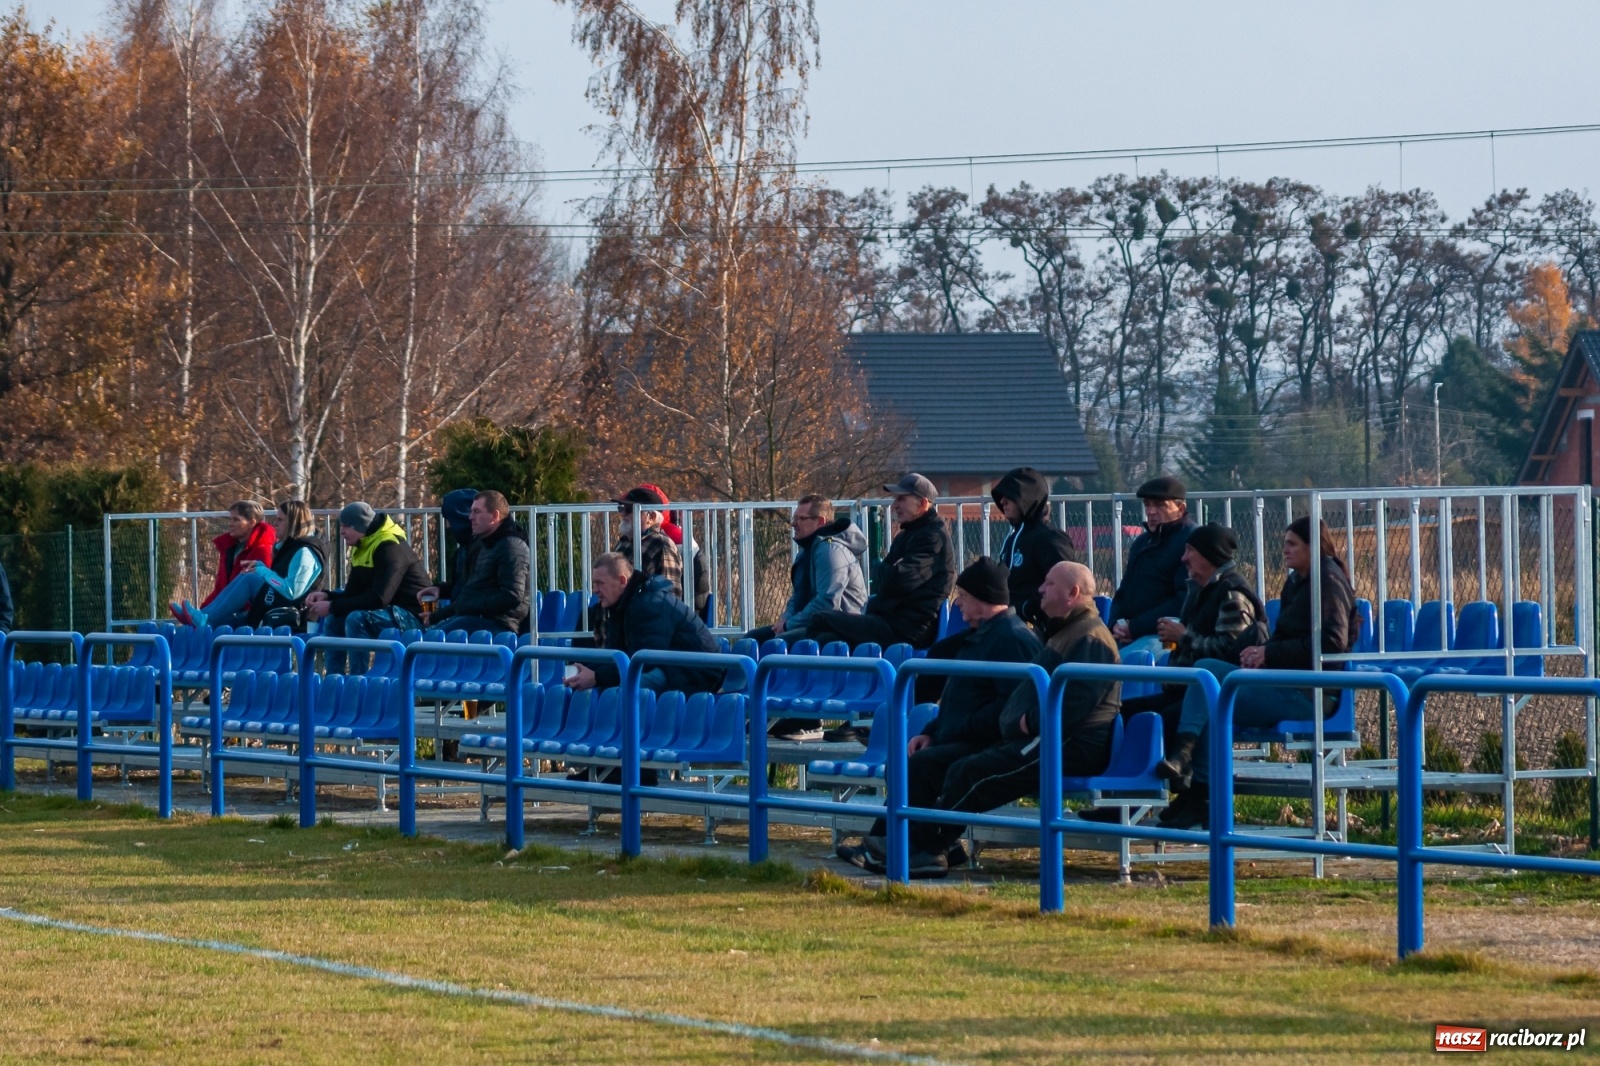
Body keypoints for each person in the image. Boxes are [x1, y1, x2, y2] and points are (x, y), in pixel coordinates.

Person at [845, 561, 1120, 878]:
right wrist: (937, 730)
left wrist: (1025, 724)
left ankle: (921, 848)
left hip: (1066, 742)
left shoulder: (1088, 638)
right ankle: (908, 846)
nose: (1040, 589)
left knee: (970, 772)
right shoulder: (1065, 632)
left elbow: (1072, 706)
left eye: (1049, 584)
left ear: (1072, 593)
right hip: (1040, 736)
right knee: (932, 765)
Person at [1155, 516, 1360, 830]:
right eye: (1284, 543)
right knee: (1206, 672)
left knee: (1213, 698)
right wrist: (1260, 655)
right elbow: (1286, 635)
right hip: (1283, 680)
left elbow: (1332, 644)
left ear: (1312, 546)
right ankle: (1189, 772)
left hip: (1312, 692)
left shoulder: (1327, 580)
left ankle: (1202, 794)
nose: (1285, 551)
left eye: (1292, 544)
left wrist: (1271, 653)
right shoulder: (1297, 581)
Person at [836, 557, 1041, 870]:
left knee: (924, 767)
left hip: (989, 743)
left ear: (984, 600)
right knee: (914, 761)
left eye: (965, 597)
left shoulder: (1012, 639)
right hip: (962, 736)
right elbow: (960, 699)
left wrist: (953, 732)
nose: (958, 604)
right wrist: (932, 730)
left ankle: (896, 846)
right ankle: (900, 844)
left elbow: (1007, 709)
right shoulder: (983, 636)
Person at [1120, 522, 1268, 728]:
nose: (1184, 558)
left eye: (1190, 551)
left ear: (1209, 555)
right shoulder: (1199, 589)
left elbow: (1228, 651)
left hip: (1210, 696)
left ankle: (1180, 759)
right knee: (1120, 713)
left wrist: (1183, 637)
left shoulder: (1232, 594)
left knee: (1155, 721)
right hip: (1183, 692)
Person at [805, 473, 956, 651]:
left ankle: (801, 674)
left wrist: (887, 571)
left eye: (901, 499)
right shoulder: (908, 535)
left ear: (922, 503)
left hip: (908, 629)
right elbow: (881, 576)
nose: (894, 506)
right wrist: (887, 570)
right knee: (827, 638)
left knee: (820, 619)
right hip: (889, 621)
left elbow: (897, 580)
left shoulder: (932, 537)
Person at [566, 553, 722, 696]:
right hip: (671, 667)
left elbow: (644, 660)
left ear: (622, 581)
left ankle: (629, 728)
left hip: (697, 672)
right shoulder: (623, 605)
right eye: (594, 584)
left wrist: (596, 677)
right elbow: (617, 654)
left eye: (600, 583)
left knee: (629, 689)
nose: (595, 590)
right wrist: (587, 672)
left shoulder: (648, 604)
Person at [305, 502, 431, 673]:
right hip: (388, 610)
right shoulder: (363, 546)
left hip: (412, 615)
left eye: (346, 527)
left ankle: (359, 680)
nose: (341, 532)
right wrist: (328, 597)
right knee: (334, 619)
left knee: (356, 619)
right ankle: (335, 681)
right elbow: (353, 594)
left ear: (360, 526)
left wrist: (332, 606)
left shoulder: (390, 547)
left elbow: (379, 598)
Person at [179, 500, 326, 629]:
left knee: (251, 579)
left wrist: (263, 571)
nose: (275, 523)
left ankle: (205, 619)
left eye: (280, 520)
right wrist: (261, 569)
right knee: (228, 621)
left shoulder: (305, 552)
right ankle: (203, 617)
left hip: (290, 615)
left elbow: (292, 591)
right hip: (274, 607)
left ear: (293, 523)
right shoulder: (290, 547)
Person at [749, 494, 867, 645]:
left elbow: (827, 602)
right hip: (816, 623)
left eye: (800, 519)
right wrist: (785, 620)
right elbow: (797, 596)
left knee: (779, 643)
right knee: (753, 638)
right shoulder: (807, 551)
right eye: (794, 518)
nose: (793, 524)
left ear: (820, 521)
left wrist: (788, 625)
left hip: (841, 628)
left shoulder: (830, 550)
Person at [419, 490, 530, 634]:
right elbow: (468, 595)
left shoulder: (511, 546)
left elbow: (512, 596)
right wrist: (435, 616)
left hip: (498, 625)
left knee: (432, 641)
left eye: (477, 512)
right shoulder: (487, 545)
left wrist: (472, 604)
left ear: (495, 516)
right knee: (429, 637)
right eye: (471, 512)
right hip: (477, 619)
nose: (470, 517)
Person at [1108, 475, 1196, 651]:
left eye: (1160, 505)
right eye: (1147, 504)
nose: (1151, 511)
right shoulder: (1142, 543)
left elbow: (1183, 600)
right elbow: (1123, 592)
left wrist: (1134, 627)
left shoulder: (1191, 542)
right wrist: (1115, 624)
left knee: (1131, 660)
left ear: (1180, 508)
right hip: (1128, 633)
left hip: (1161, 637)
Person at [991, 467, 1078, 629]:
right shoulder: (1013, 538)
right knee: (951, 648)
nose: (1002, 501)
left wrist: (1026, 608)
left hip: (1036, 626)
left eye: (1009, 496)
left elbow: (1064, 588)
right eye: (1001, 497)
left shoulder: (1050, 539)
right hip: (1007, 622)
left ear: (1027, 498)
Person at [173, 500, 276, 622]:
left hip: (248, 611)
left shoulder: (263, 550)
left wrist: (224, 611)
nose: (230, 524)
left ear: (251, 523)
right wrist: (204, 609)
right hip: (229, 608)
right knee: (196, 627)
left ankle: (204, 620)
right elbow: (221, 588)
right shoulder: (229, 549)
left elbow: (260, 590)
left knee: (214, 625)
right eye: (230, 519)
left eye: (236, 520)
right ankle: (200, 617)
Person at [633, 482, 711, 618]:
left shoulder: (668, 539)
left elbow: (669, 593)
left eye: (630, 509)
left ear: (650, 515)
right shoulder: (659, 535)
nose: (624, 515)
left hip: (685, 615)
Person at [612, 486, 691, 606]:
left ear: (652, 518)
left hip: (642, 620)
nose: (623, 514)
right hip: (619, 619)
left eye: (629, 509)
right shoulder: (624, 542)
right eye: (621, 508)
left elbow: (670, 598)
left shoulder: (662, 545)